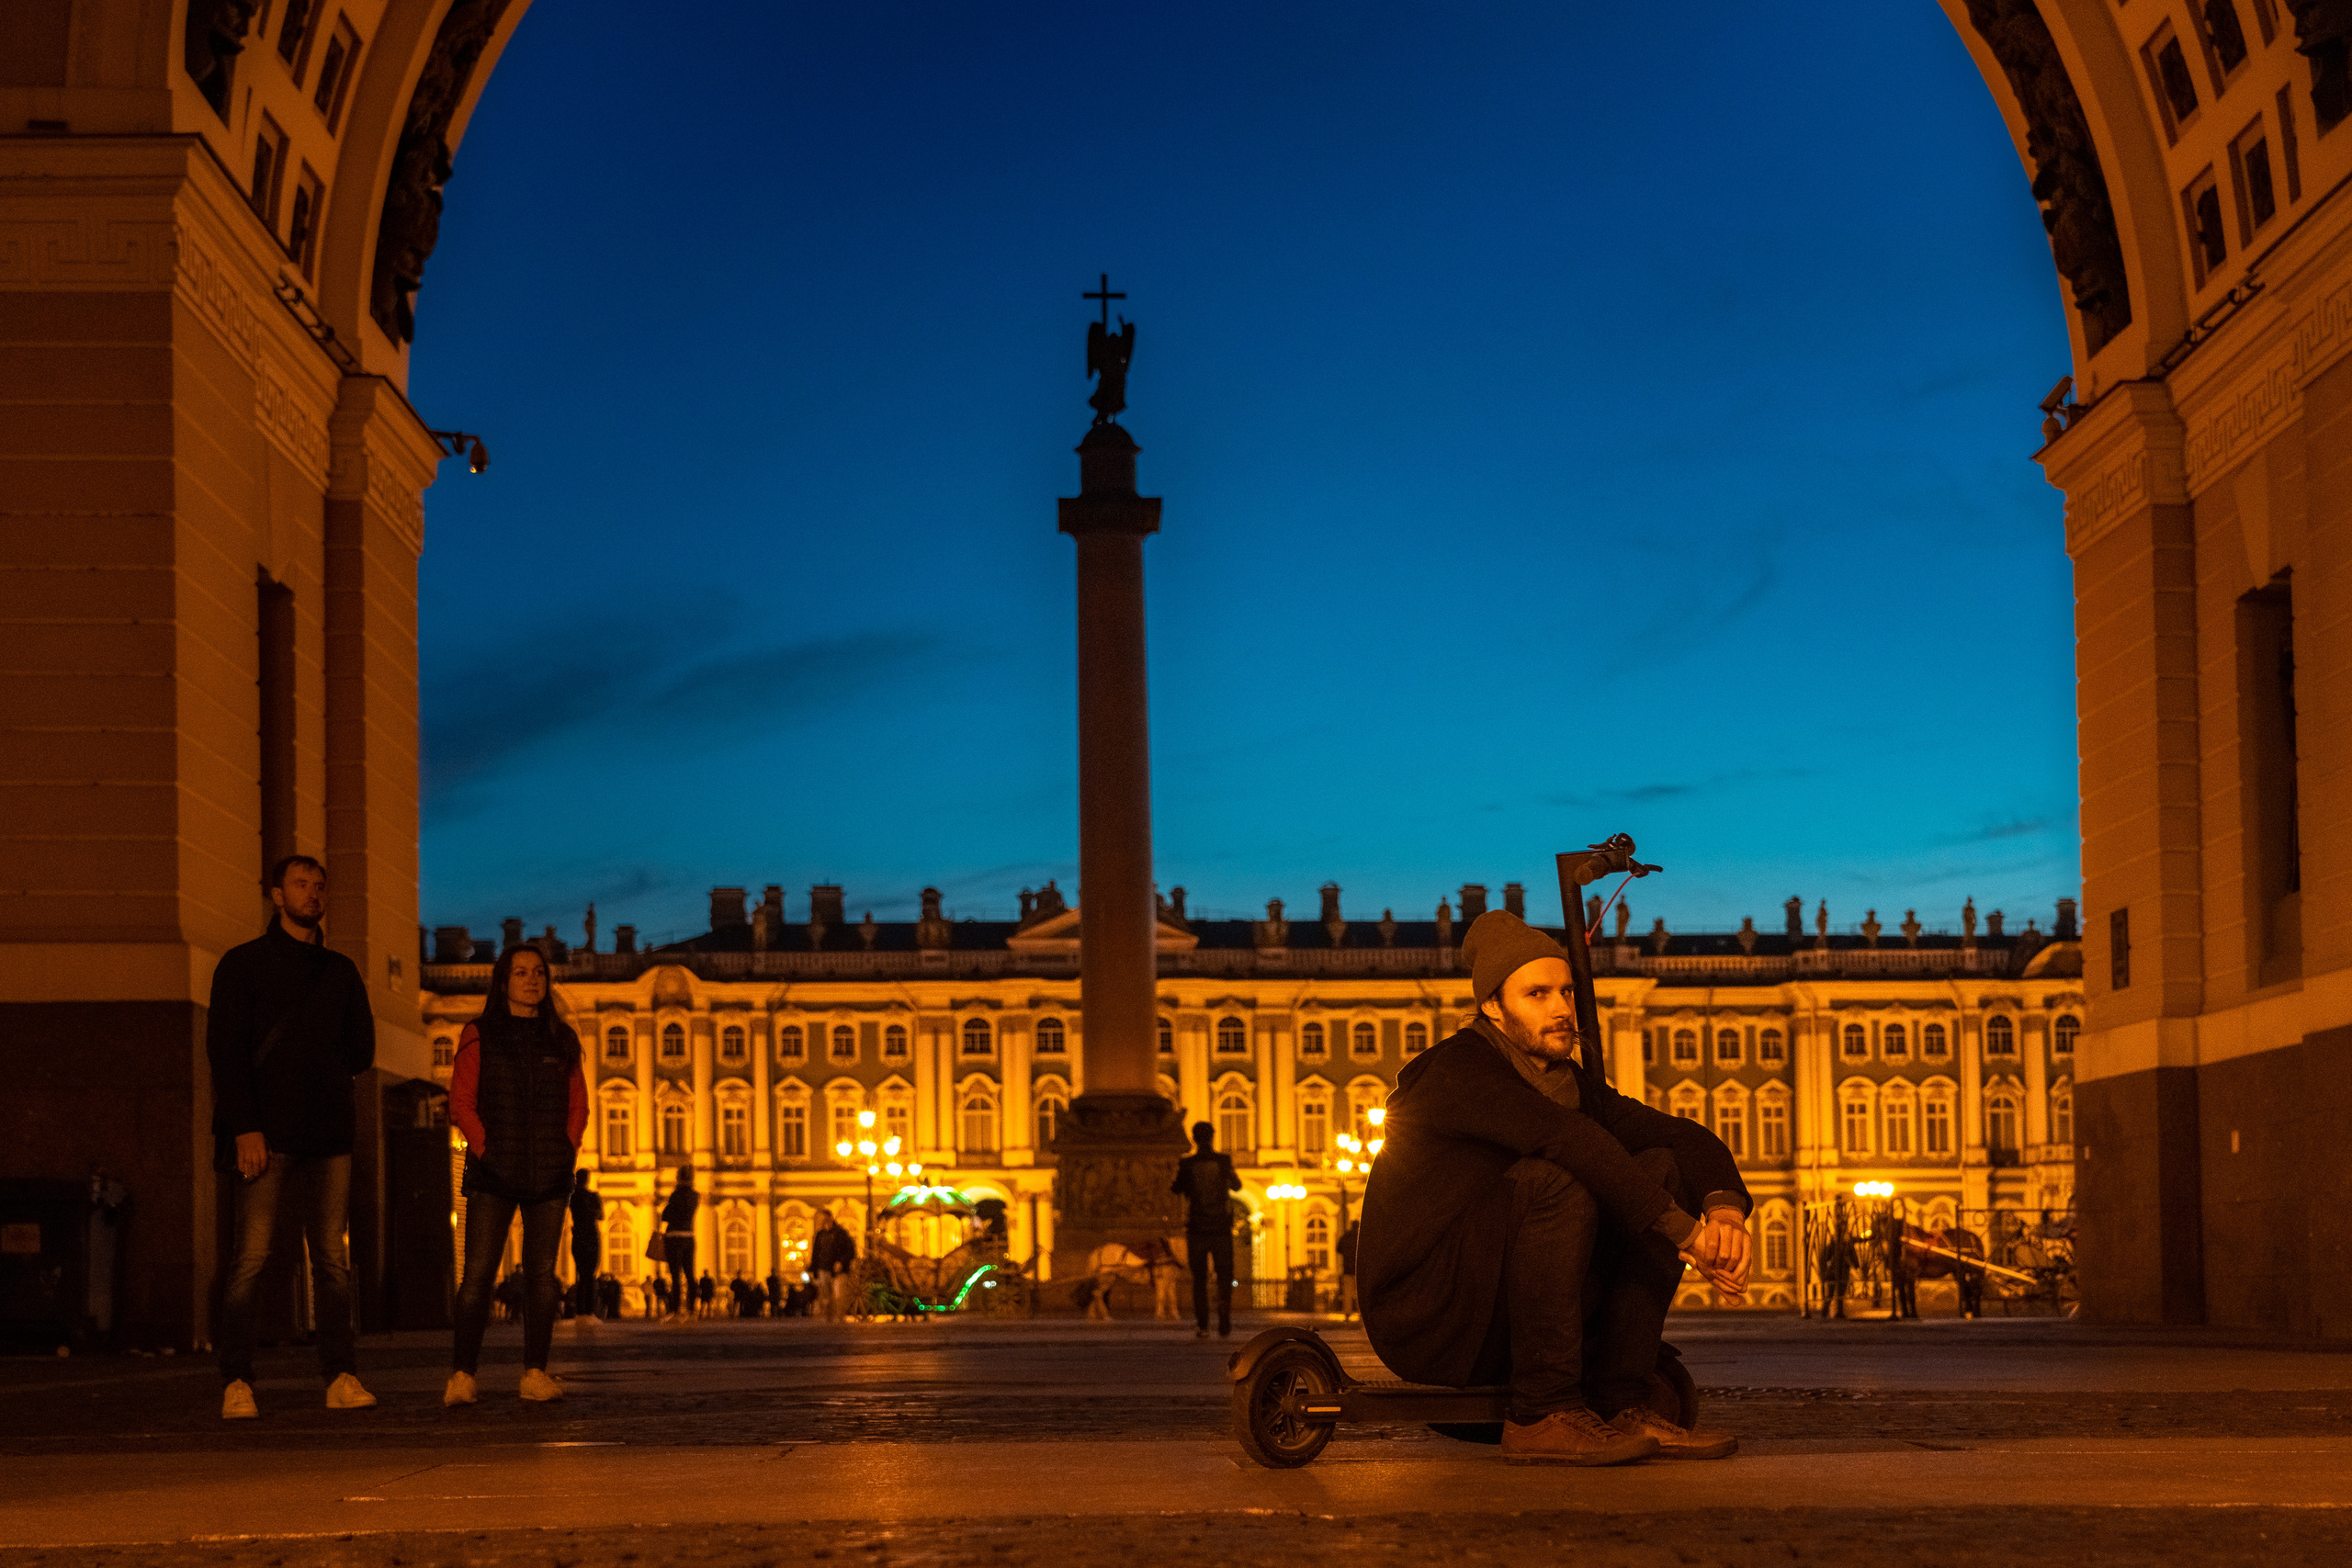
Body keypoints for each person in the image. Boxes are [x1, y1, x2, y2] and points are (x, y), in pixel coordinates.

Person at [1359, 909, 1749, 1466]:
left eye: (1566, 992)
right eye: (1537, 994)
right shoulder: (1454, 1071)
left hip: (1503, 1301)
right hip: (1430, 1313)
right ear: (1492, 1006)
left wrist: (1725, 1213)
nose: (1563, 1010)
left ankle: (1622, 1403)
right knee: (1556, 1177)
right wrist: (1689, 1238)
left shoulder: (1567, 1083)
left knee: (1660, 1164)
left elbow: (1680, 1136)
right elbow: (1562, 1138)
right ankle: (1543, 1413)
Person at [208, 854, 380, 1420]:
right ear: (277, 896)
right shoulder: (242, 966)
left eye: (319, 885)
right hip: (265, 1134)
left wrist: (321, 1074)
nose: (312, 893)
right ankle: (236, 1380)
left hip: (328, 1132)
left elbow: (363, 1052)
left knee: (332, 1259)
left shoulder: (340, 972)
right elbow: (225, 1053)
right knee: (250, 1258)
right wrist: (246, 1126)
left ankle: (341, 1375)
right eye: (300, 884)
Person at [446, 942, 588, 1405]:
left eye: (539, 973)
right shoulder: (479, 1033)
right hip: (493, 1172)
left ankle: (535, 1373)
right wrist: (486, 1149)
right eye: (521, 972)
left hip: (549, 1172)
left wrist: (567, 1147)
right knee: (478, 1276)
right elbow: (461, 1103)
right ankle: (463, 1375)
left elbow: (579, 1105)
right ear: (503, 981)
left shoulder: (563, 1039)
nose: (532, 980)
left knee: (542, 1278)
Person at [1172, 1122, 1241, 1338]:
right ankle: (1224, 1316)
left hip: (1197, 1229)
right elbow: (1237, 1186)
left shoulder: (1187, 1163)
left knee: (1199, 1278)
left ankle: (1202, 1324)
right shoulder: (1223, 1161)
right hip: (1221, 1227)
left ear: (1194, 1139)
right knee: (1225, 1274)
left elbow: (1176, 1188)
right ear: (1212, 1137)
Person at [659, 1168, 698, 1318]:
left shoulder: (675, 1195)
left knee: (676, 1276)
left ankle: (676, 1312)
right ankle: (692, 1310)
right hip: (689, 1236)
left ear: (678, 1178)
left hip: (674, 1237)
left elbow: (666, 1215)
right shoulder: (695, 1195)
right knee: (690, 1275)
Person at [567, 1170, 604, 1319]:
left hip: (578, 1237)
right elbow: (601, 1216)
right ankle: (589, 1312)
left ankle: (581, 1312)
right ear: (588, 1180)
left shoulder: (571, 1197)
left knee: (581, 1275)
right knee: (590, 1275)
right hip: (591, 1236)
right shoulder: (593, 1196)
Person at [810, 1209, 857, 1320]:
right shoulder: (820, 1235)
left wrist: (841, 1262)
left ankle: (839, 1321)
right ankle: (828, 1321)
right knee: (825, 1298)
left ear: (829, 1218)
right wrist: (813, 1269)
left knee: (838, 1297)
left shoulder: (841, 1233)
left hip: (838, 1271)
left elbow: (851, 1250)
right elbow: (816, 1253)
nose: (820, 1221)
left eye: (822, 1218)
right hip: (823, 1269)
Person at [1336, 1220, 1362, 1320]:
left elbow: (1338, 1249)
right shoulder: (1360, 1237)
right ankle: (1361, 1313)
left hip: (1346, 1268)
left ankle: (1347, 1313)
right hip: (1358, 1269)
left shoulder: (1345, 1236)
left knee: (1347, 1292)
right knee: (1359, 1292)